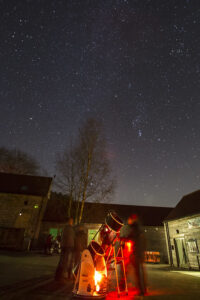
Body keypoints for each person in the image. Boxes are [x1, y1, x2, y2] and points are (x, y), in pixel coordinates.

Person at [120, 214, 147, 296]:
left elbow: (130, 237)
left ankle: (141, 290)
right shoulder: (136, 228)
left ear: (132, 220)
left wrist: (121, 238)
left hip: (136, 253)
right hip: (137, 253)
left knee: (134, 272)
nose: (128, 221)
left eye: (129, 220)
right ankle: (124, 286)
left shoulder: (135, 229)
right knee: (127, 269)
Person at [55, 217, 75, 282]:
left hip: (66, 246)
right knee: (64, 262)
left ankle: (59, 276)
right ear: (69, 221)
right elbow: (69, 238)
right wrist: (70, 245)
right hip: (67, 247)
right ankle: (60, 276)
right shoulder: (68, 229)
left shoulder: (67, 228)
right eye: (71, 221)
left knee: (64, 261)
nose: (72, 222)